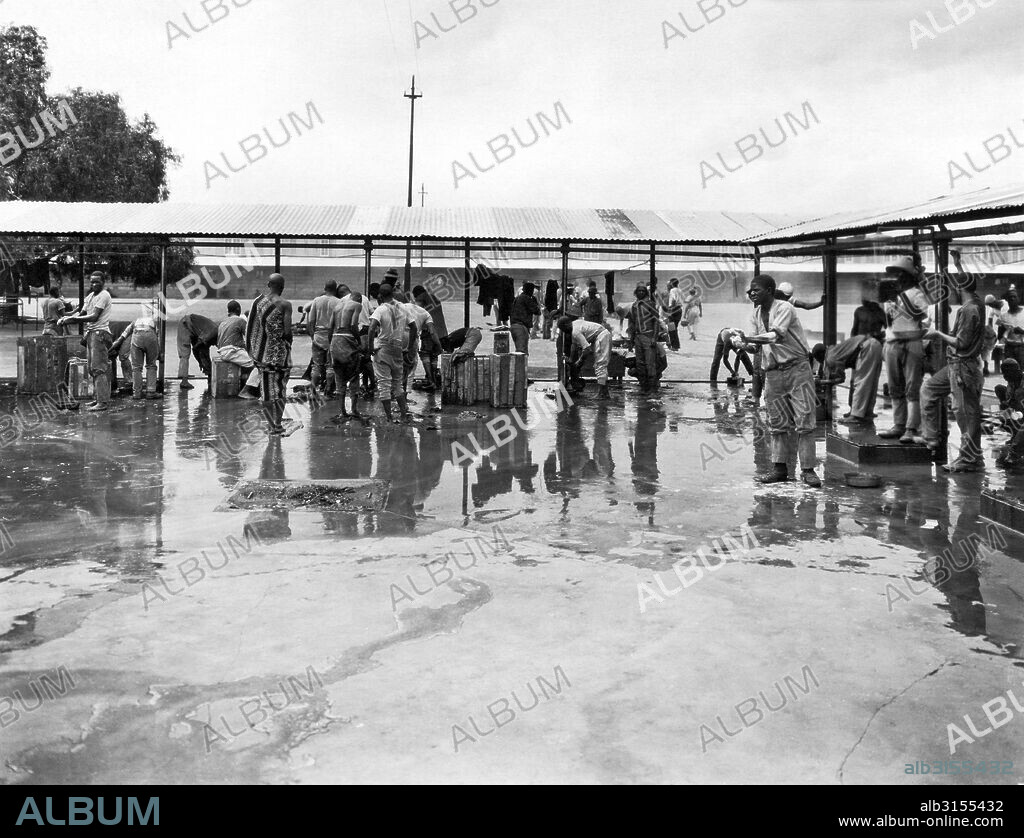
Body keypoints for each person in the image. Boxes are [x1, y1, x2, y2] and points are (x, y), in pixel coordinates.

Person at [733, 274, 821, 487]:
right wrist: (742, 343)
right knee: (777, 422)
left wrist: (747, 338)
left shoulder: (784, 308)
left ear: (770, 291)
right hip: (773, 372)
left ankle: (808, 470)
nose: (752, 293)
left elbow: (776, 336)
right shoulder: (755, 314)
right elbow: (756, 347)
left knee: (805, 420)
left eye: (756, 290)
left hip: (797, 368)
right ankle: (779, 468)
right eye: (750, 291)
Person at [915, 271, 985, 473]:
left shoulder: (969, 310)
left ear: (958, 288)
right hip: (956, 365)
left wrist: (937, 333)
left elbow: (961, 343)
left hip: (963, 367)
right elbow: (968, 283)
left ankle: (969, 459)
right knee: (928, 388)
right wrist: (957, 264)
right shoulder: (978, 303)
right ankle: (931, 437)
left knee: (965, 413)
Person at [878, 255, 931, 444]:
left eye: (900, 274)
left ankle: (911, 427)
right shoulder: (891, 297)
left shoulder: (917, 294)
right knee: (894, 386)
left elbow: (925, 318)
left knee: (912, 386)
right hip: (893, 342)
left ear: (908, 276)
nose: (897, 278)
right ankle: (898, 424)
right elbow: (889, 322)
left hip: (911, 342)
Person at [246, 273, 295, 435]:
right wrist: (287, 341)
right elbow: (287, 332)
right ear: (282, 287)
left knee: (266, 392)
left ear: (268, 284)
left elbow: (252, 329)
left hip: (264, 356)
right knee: (281, 389)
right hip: (281, 355)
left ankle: (270, 425)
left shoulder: (258, 303)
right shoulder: (285, 305)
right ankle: (278, 424)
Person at [57, 271, 113, 411]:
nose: (94, 284)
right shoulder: (90, 296)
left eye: (97, 281)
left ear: (103, 282)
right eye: (92, 281)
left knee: (99, 368)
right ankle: (97, 399)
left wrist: (72, 319)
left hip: (100, 333)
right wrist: (66, 319)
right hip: (91, 334)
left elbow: (94, 316)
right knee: (91, 369)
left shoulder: (104, 295)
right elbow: (82, 313)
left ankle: (103, 402)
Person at [834, 278, 886, 427]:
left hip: (872, 347)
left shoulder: (879, 312)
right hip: (859, 347)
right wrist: (852, 348)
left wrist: (877, 336)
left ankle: (864, 411)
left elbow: (888, 329)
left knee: (868, 380)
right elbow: (854, 330)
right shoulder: (859, 311)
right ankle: (854, 410)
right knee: (856, 381)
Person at [367, 282, 412, 423]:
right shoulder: (403, 308)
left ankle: (389, 418)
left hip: (383, 348)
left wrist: (370, 347)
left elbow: (371, 328)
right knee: (398, 384)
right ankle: (404, 415)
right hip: (398, 348)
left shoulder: (381, 309)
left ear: (380, 296)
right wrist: (409, 347)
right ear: (393, 293)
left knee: (384, 384)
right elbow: (414, 327)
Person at [109, 304, 161, 401]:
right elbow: (157, 337)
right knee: (151, 365)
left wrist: (111, 348)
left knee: (136, 368)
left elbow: (123, 336)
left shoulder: (135, 321)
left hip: (136, 337)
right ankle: (151, 392)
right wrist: (159, 353)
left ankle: (137, 393)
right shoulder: (152, 322)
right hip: (150, 336)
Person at [213, 300, 260, 399]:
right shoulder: (240, 321)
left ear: (229, 311)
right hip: (231, 351)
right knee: (260, 365)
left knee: (249, 360)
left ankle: (249, 387)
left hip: (222, 351)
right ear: (238, 309)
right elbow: (250, 338)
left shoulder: (223, 322)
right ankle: (245, 391)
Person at [306, 280, 342, 399]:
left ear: (324, 288)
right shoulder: (339, 302)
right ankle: (328, 392)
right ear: (335, 289)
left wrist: (313, 337)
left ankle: (313, 391)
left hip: (318, 337)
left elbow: (311, 321)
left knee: (316, 365)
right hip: (333, 338)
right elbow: (340, 323)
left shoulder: (317, 301)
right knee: (330, 366)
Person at [559, 315, 611, 399]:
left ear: (566, 326)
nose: (565, 333)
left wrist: (580, 362)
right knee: (600, 365)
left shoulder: (575, 331)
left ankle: (602, 393)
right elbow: (574, 345)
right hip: (599, 336)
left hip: (601, 336)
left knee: (600, 364)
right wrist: (571, 360)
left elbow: (587, 349)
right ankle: (605, 393)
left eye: (563, 330)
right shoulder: (575, 324)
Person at [627, 284, 663, 393]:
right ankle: (643, 387)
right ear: (636, 293)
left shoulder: (650, 304)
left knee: (650, 362)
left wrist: (654, 337)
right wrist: (631, 340)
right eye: (639, 291)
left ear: (646, 293)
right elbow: (632, 324)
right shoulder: (634, 306)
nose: (641, 293)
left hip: (648, 336)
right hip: (638, 337)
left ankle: (652, 388)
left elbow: (656, 321)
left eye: (643, 291)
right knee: (640, 363)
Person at [994, 359, 1024, 468]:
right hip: (1019, 413)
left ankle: (1016, 452)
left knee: (1010, 461)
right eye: (1003, 373)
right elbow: (1009, 400)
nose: (1004, 376)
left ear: (1016, 371)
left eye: (1007, 373)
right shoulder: (1012, 382)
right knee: (1003, 418)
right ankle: (1015, 436)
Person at [176, 313, 218, 391]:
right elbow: (196, 348)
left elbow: (202, 349)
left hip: (195, 330)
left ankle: (186, 374)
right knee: (185, 353)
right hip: (185, 325)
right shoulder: (211, 334)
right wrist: (201, 363)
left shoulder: (214, 334)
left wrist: (203, 363)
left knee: (203, 352)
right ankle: (184, 381)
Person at [995, 286, 1024, 369]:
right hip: (1009, 348)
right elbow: (999, 336)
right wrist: (1003, 330)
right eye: (1010, 297)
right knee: (1011, 372)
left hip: (1022, 347)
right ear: (1007, 300)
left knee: (1022, 371)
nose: (1012, 299)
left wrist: (1022, 331)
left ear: (1019, 298)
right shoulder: (1003, 316)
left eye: (1015, 297)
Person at [510, 281, 541, 354]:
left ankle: (521, 364)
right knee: (522, 352)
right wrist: (534, 300)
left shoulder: (518, 298)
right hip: (521, 326)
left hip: (514, 326)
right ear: (530, 290)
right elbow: (537, 311)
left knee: (519, 349)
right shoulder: (527, 298)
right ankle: (521, 365)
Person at [665, 278, 683, 351]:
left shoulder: (673, 290)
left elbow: (673, 300)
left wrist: (670, 310)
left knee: (671, 328)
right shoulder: (679, 290)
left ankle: (674, 346)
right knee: (674, 328)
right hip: (679, 309)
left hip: (674, 309)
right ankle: (676, 345)